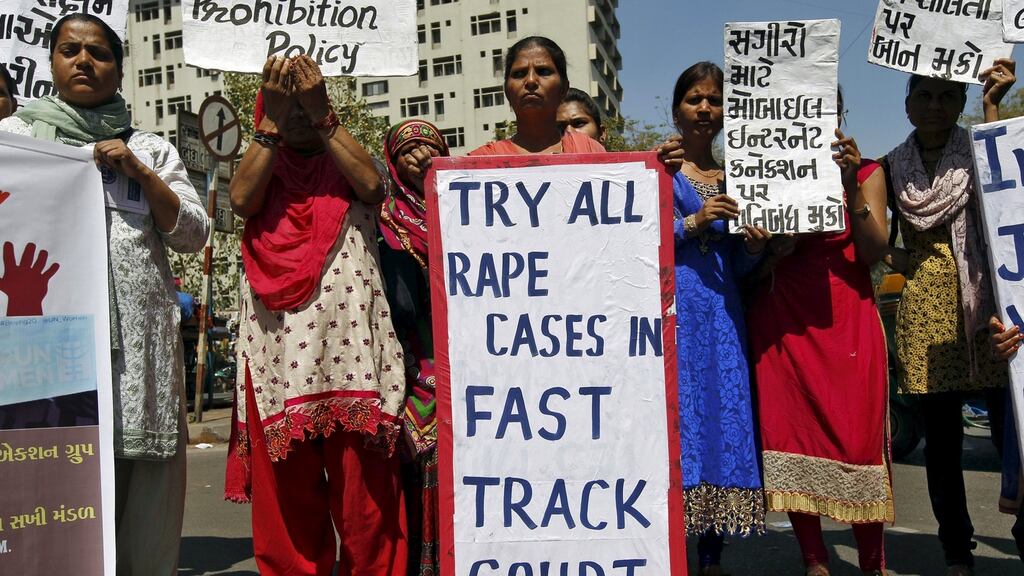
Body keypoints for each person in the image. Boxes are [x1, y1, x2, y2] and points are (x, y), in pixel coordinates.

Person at [0, 13, 209, 574]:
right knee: (54, 479)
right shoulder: (17, 141)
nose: (84, 61)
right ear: (51, 63)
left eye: (99, 52)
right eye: (70, 50)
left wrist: (139, 171)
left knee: (144, 491)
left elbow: (193, 234)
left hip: (141, 353)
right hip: (54, 346)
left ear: (118, 67)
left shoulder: (151, 149)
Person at [224, 54, 407, 576]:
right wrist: (271, 122)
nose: (299, 111)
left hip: (352, 363)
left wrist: (322, 113)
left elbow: (373, 187)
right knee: (287, 517)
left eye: (307, 100)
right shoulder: (262, 168)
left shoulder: (346, 163)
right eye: (287, 101)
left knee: (366, 511)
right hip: (277, 363)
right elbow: (240, 200)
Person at [747, 89, 892, 576]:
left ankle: (872, 563)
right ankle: (815, 561)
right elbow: (749, 258)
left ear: (838, 115)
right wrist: (768, 249)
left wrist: (851, 186)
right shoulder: (764, 174)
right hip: (783, 316)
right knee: (791, 434)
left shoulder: (868, 171)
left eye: (825, 109)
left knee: (857, 440)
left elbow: (874, 251)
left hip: (846, 318)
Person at [883, 59, 1016, 576]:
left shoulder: (983, 150)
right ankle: (956, 550)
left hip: (990, 310)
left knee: (1013, 432)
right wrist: (911, 261)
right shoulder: (891, 167)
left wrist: (993, 106)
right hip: (926, 314)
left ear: (960, 104)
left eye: (946, 96)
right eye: (926, 96)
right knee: (942, 446)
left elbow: (1007, 208)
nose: (935, 106)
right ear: (908, 104)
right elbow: (881, 245)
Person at [659, 61, 768, 576]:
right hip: (673, 315)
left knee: (719, 423)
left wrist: (754, 248)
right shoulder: (659, 170)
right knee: (678, 427)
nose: (705, 109)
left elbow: (738, 265)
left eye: (715, 100)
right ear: (676, 109)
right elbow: (638, 239)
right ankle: (671, 554)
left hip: (723, 318)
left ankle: (710, 556)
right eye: (694, 99)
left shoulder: (738, 175)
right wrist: (692, 221)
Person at [378, 119, 450, 576]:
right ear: (392, 159)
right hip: (406, 375)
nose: (418, 156)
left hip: (460, 373)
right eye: (407, 149)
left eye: (429, 147)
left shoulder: (465, 211)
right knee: (406, 483)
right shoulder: (381, 219)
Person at [470, 36, 605, 155]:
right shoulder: (479, 163)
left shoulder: (590, 150)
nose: (530, 81)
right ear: (507, 91)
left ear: (564, 88)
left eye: (543, 71)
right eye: (519, 74)